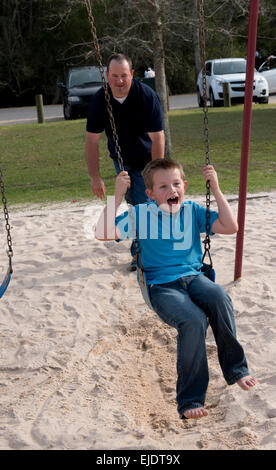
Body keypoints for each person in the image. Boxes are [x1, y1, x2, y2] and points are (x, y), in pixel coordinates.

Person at [95, 158, 257, 420]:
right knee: (193, 320)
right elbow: (102, 233)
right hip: (161, 285)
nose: (171, 190)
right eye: (163, 187)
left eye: (176, 183)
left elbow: (231, 226)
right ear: (149, 193)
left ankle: (236, 370)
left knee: (220, 297)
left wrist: (215, 188)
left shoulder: (192, 210)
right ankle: (190, 399)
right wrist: (116, 196)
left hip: (194, 277)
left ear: (184, 186)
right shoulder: (140, 215)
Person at [86, 53, 165, 271]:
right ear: (107, 75)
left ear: (131, 74)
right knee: (135, 204)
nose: (119, 81)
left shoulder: (146, 96)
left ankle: (143, 254)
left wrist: (155, 175)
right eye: (114, 76)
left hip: (148, 159)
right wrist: (95, 177)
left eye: (124, 76)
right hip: (120, 160)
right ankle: (141, 252)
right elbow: (92, 141)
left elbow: (158, 138)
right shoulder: (99, 100)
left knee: (144, 204)